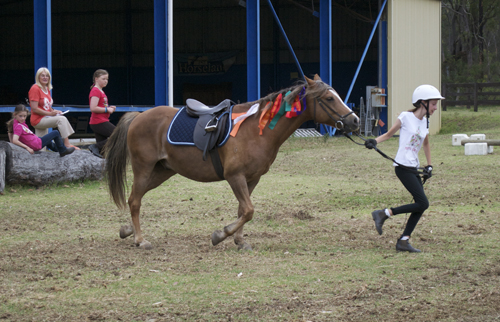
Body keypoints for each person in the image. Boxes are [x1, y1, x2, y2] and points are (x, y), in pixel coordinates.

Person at [365, 84, 444, 253]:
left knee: (420, 205)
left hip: (414, 167)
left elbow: (426, 144)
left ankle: (403, 240)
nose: (436, 107)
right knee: (423, 203)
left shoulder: (425, 122)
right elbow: (388, 134)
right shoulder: (406, 117)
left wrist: (429, 165)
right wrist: (374, 141)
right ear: (423, 102)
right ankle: (384, 213)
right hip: (402, 167)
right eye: (434, 104)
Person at [28, 67, 79, 150]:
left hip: (46, 117)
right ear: (38, 77)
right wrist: (50, 114)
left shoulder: (46, 88)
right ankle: (67, 144)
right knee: (61, 119)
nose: (45, 77)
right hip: (38, 120)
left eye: (47, 76)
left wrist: (54, 111)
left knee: (40, 146)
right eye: (42, 76)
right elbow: (35, 108)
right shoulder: (35, 88)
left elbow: (47, 106)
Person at [7, 104, 75, 157]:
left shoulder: (18, 124)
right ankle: (63, 150)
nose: (23, 118)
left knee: (48, 141)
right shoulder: (18, 126)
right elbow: (14, 140)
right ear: (15, 115)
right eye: (20, 116)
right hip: (36, 144)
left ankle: (58, 149)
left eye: (24, 116)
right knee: (55, 133)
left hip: (36, 141)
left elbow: (10, 133)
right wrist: (27, 148)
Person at [88, 69, 116, 158]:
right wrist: (107, 110)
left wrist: (109, 108)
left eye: (107, 79)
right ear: (96, 79)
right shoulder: (95, 91)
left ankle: (101, 167)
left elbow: (100, 105)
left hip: (98, 122)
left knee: (101, 152)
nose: (106, 81)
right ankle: (95, 146)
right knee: (119, 135)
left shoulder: (100, 91)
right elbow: (93, 108)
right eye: (103, 79)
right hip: (99, 122)